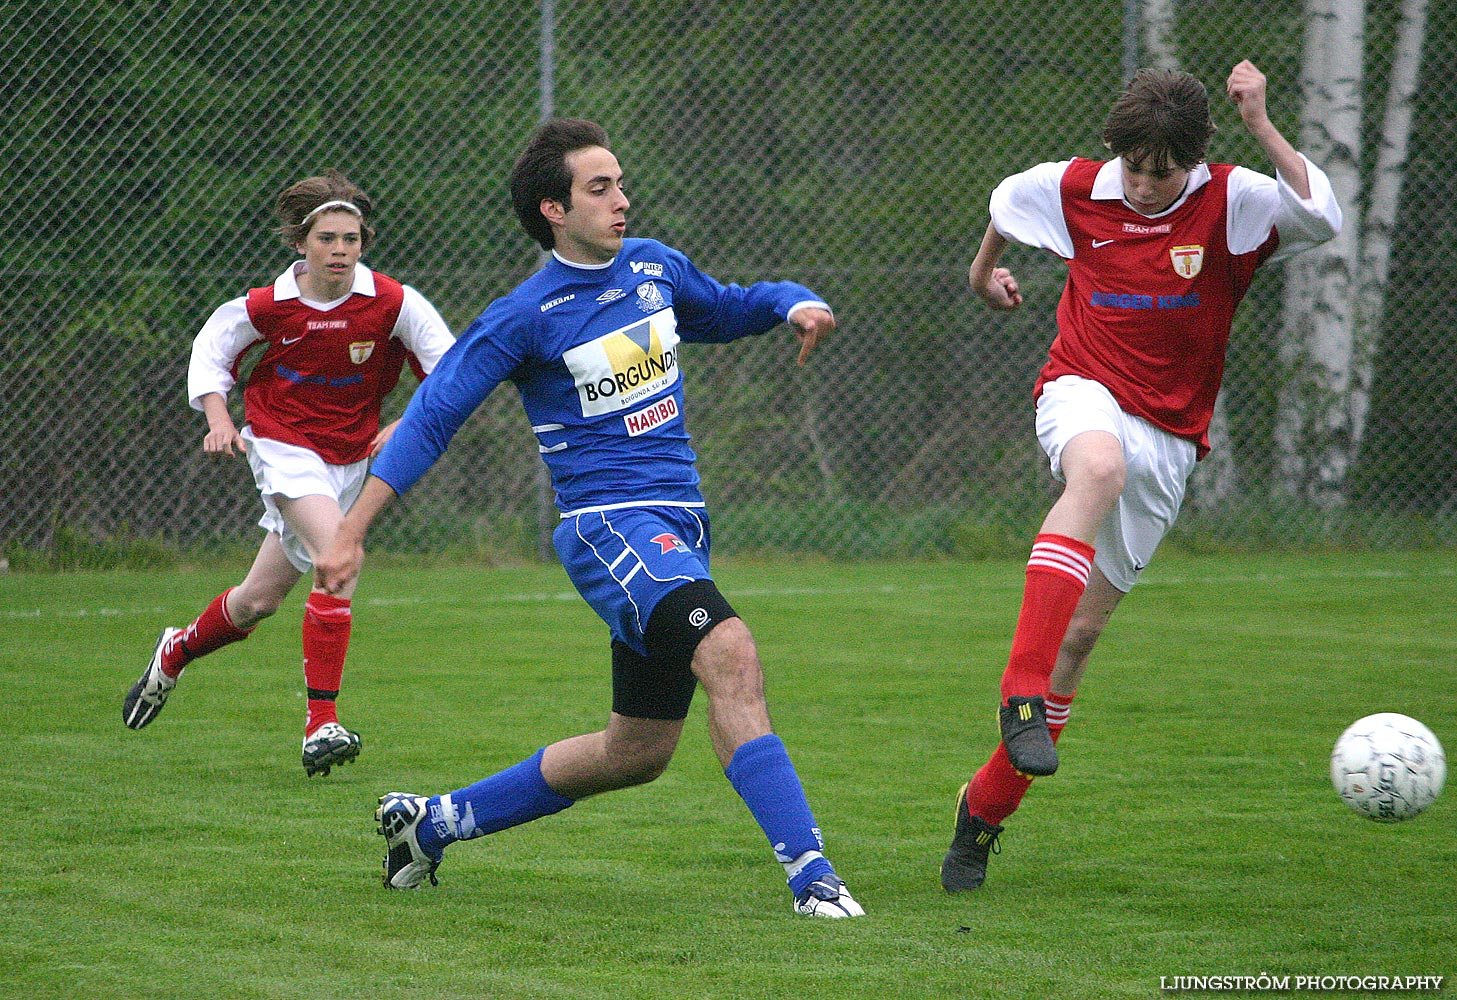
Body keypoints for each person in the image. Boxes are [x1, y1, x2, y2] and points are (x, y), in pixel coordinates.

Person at [313, 118, 864, 918]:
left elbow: (731, 307)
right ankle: (812, 876)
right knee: (730, 653)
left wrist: (795, 305)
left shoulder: (654, 269)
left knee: (636, 752)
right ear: (552, 210)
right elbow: (432, 416)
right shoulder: (524, 315)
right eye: (598, 188)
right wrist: (353, 527)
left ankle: (428, 824)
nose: (621, 200)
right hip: (610, 528)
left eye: (620, 183)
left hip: (676, 527)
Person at [941, 61, 1342, 890]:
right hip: (1081, 385)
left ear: (1193, 158)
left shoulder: (1229, 201)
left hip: (1171, 436)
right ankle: (1018, 695)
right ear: (1114, 152)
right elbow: (1003, 202)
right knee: (1095, 466)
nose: (1147, 186)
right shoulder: (1078, 188)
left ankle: (983, 809)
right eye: (1135, 169)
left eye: (1164, 172)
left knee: (1081, 641)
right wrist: (981, 276)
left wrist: (1261, 122)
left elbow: (1320, 214)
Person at [122, 170, 455, 777]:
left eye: (351, 239)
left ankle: (176, 650)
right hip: (282, 444)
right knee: (340, 555)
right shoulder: (268, 305)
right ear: (300, 243)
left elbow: (451, 373)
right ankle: (320, 723)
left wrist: (403, 424)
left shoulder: (392, 302)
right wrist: (221, 419)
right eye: (327, 238)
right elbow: (211, 350)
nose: (340, 251)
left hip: (350, 458)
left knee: (257, 600)